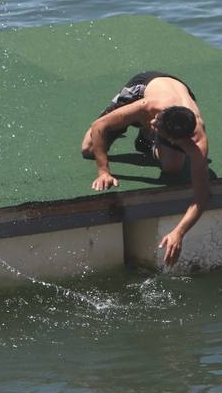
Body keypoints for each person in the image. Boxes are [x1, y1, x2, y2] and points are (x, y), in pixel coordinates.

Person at [80, 71, 210, 268]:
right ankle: (129, 125)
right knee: (89, 149)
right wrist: (103, 171)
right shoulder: (147, 106)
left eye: (156, 128)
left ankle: (147, 141)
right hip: (145, 87)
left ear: (178, 139)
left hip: (177, 100)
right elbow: (98, 126)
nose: (154, 123)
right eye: (154, 123)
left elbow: (201, 198)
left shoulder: (198, 143)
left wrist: (179, 232)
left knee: (173, 167)